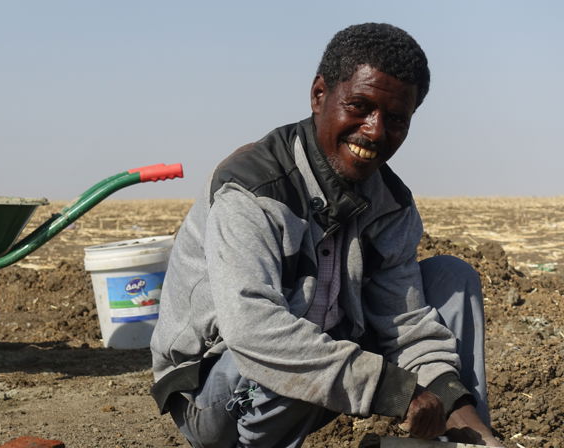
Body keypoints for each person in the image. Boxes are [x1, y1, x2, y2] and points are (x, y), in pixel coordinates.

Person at [150, 23, 503, 447]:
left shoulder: (390, 204)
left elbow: (406, 325)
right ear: (319, 95)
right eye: (359, 107)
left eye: (395, 119)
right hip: (214, 387)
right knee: (297, 350)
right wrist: (395, 391)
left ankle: (463, 443)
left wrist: (458, 410)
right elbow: (253, 332)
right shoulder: (254, 189)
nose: (374, 131)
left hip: (321, 354)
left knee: (450, 277)